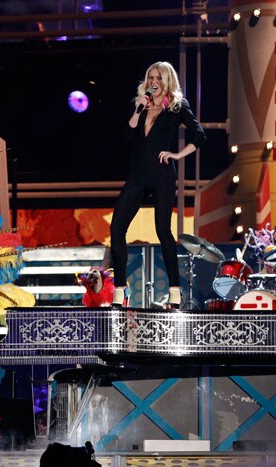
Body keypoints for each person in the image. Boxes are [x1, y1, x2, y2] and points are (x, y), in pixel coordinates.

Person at [110, 61, 206, 308]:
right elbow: (126, 137)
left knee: (163, 230)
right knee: (117, 228)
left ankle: (174, 291)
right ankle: (121, 290)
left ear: (167, 80)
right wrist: (138, 110)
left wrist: (178, 155)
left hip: (162, 174)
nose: (154, 82)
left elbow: (199, 134)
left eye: (159, 78)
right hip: (137, 175)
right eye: (150, 77)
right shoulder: (141, 104)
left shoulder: (177, 106)